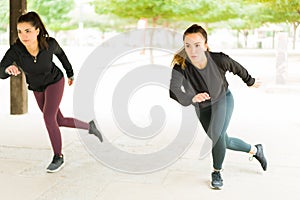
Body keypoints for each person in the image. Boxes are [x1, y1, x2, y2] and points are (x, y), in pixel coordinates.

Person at [0, 11, 103, 173]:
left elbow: (61, 55)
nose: (23, 35)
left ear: (37, 31)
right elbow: (1, 71)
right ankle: (90, 126)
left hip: (55, 81)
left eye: (28, 31)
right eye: (20, 31)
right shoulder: (16, 50)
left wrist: (70, 73)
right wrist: (8, 69)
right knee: (58, 120)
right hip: (37, 87)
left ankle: (58, 157)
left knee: (48, 117)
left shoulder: (49, 44)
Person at [169, 24, 267, 189]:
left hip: (223, 100)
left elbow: (237, 68)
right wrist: (192, 97)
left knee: (217, 135)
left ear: (205, 45)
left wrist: (250, 82)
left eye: (197, 45)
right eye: (188, 45)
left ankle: (217, 171)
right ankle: (255, 150)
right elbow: (174, 91)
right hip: (202, 107)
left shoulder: (218, 59)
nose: (192, 50)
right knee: (221, 138)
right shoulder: (182, 66)